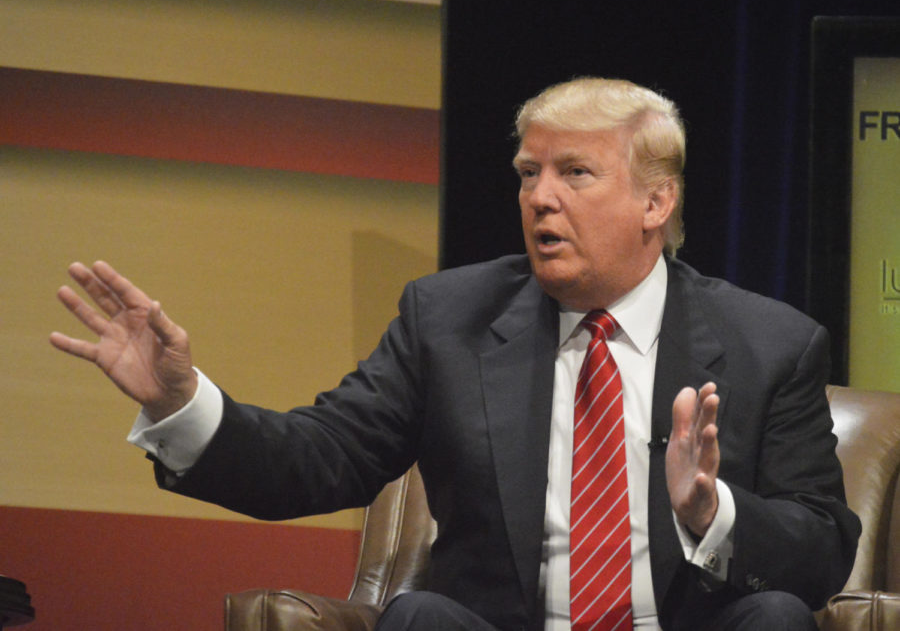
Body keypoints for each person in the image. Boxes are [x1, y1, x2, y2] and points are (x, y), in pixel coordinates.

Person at [50, 77, 860, 631]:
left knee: (777, 619)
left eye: (575, 173)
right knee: (418, 619)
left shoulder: (771, 342)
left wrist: (709, 513)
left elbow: (824, 548)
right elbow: (319, 458)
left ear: (657, 200)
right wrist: (179, 403)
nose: (540, 197)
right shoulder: (448, 320)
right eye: (528, 173)